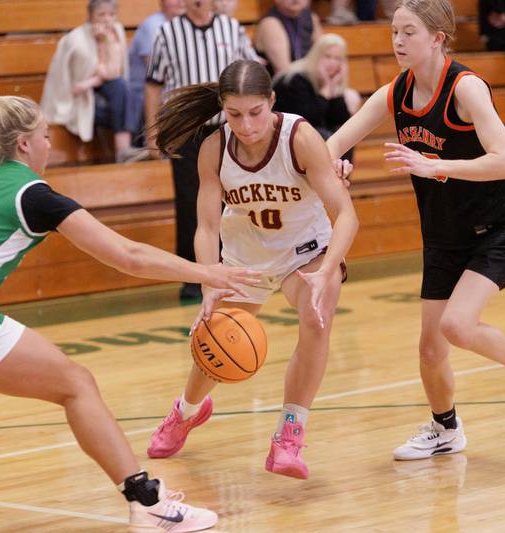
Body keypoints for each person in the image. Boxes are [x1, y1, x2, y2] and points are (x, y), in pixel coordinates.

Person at [0, 67, 271, 531]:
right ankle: (147, 503)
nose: (48, 144)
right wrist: (207, 271)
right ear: (23, 144)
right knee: (77, 384)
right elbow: (128, 256)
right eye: (45, 136)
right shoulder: (32, 194)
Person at [326, 0, 505, 460]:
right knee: (431, 350)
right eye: (395, 31)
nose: (397, 41)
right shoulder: (395, 92)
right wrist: (331, 163)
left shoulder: (466, 88)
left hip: (500, 224)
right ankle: (446, 430)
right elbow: (336, 140)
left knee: (457, 325)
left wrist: (436, 166)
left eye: (408, 32)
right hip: (444, 230)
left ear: (437, 38)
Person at [147, 59, 358, 479]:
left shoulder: (299, 138)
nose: (246, 125)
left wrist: (328, 269)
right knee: (217, 343)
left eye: (255, 112)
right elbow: (206, 226)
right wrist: (208, 278)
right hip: (244, 259)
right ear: (223, 108)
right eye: (235, 114)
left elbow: (346, 215)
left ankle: (289, 435)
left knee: (317, 315)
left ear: (272, 102)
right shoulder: (213, 148)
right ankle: (187, 410)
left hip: (305, 251)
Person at [144, 0, 259, 301]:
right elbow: (153, 84)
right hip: (187, 131)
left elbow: (253, 68)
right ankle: (193, 277)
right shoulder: (167, 32)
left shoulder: (231, 27)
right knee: (189, 203)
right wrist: (154, 130)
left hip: (228, 128)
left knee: (232, 200)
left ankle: (232, 268)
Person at [42, 0, 142, 162]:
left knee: (126, 92)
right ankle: (124, 151)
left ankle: (125, 151)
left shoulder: (116, 32)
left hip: (104, 95)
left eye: (111, 14)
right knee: (130, 106)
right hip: (78, 100)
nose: (107, 19)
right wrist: (91, 82)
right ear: (90, 16)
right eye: (101, 14)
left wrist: (105, 42)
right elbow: (68, 85)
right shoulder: (75, 40)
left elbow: (114, 72)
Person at [273, 33, 362, 159]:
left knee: (344, 137)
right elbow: (307, 119)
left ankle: (340, 177)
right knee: (324, 137)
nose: (332, 63)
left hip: (307, 134)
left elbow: (340, 120)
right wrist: (325, 91)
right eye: (327, 56)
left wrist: (333, 88)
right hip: (285, 135)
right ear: (316, 56)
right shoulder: (296, 78)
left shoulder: (331, 79)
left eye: (338, 59)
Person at [127, 0, 185, 147]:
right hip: (140, 97)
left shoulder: (183, 26)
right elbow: (157, 74)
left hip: (166, 93)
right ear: (162, 2)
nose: (180, 2)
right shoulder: (154, 26)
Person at [253, 0, 322, 77]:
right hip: (280, 85)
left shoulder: (311, 18)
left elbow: (321, 55)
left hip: (305, 78)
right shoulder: (270, 23)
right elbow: (284, 72)